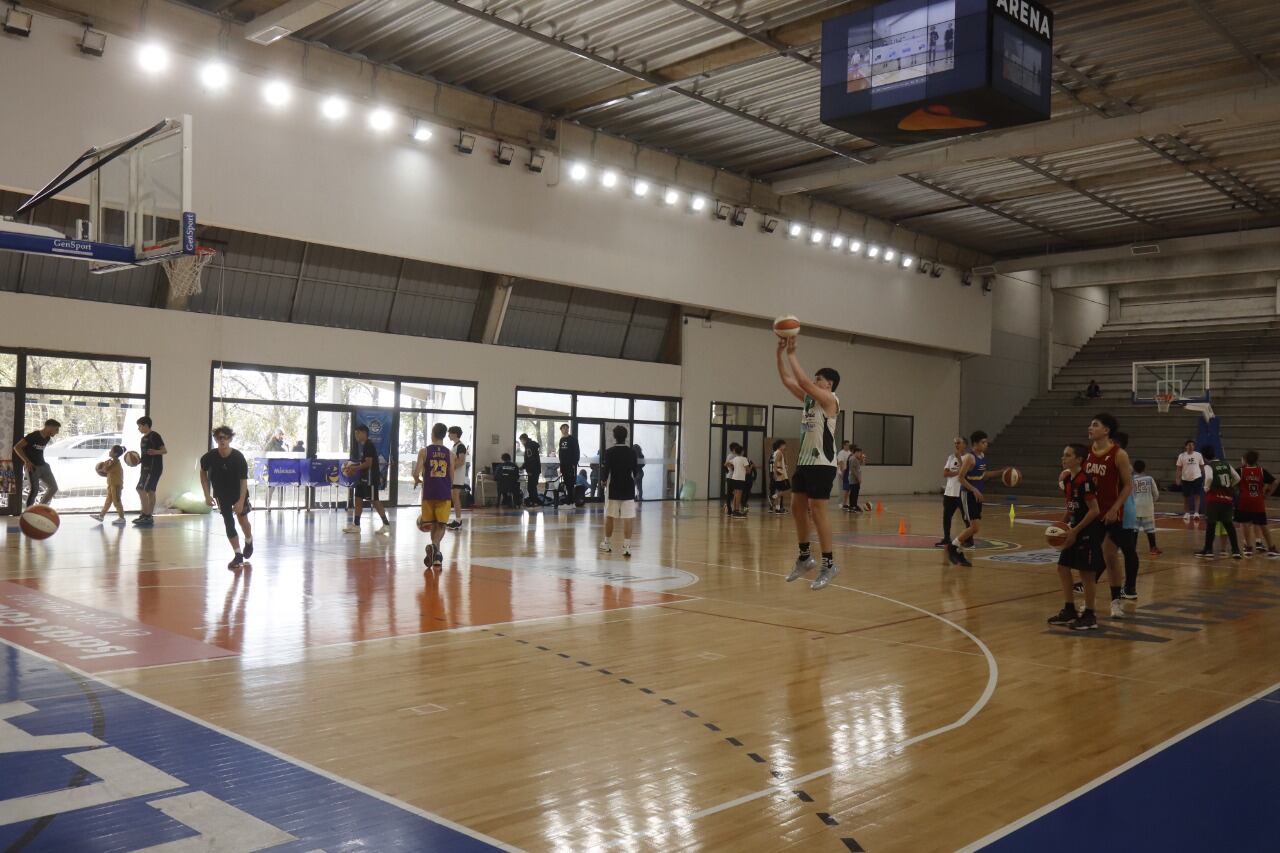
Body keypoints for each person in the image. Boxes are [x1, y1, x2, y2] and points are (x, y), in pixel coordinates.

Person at [777, 337, 841, 591]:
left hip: (823, 463)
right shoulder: (809, 400)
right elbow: (787, 380)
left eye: (819, 378)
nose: (815, 381)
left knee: (818, 512)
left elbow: (802, 381)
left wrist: (793, 353)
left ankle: (829, 564)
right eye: (815, 378)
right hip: (804, 463)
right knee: (796, 507)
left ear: (830, 384)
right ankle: (805, 558)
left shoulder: (830, 400)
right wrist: (779, 353)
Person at [1047, 443, 1105, 631]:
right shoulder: (1069, 480)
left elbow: (1094, 510)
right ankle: (1069, 609)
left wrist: (1075, 530)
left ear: (1079, 459)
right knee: (1062, 568)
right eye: (1063, 455)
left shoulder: (1084, 480)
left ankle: (1090, 615)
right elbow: (1070, 508)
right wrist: (1061, 526)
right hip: (1073, 532)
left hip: (1087, 532)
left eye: (1067, 455)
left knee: (1087, 574)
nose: (1063, 458)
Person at [1083, 413, 1134, 618]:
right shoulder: (1086, 453)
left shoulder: (1119, 454)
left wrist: (1115, 508)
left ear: (1106, 430)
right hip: (1092, 513)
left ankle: (1115, 602)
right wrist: (1066, 474)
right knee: (1089, 559)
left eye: (1095, 425)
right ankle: (1089, 603)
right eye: (1090, 424)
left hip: (1112, 515)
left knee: (1110, 555)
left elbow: (1128, 485)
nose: (1090, 427)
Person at [949, 431, 1009, 568]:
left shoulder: (982, 456)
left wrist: (1000, 472)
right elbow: (960, 477)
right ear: (975, 444)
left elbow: (983, 474)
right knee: (974, 527)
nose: (986, 444)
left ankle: (956, 548)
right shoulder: (970, 458)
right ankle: (953, 547)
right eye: (983, 442)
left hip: (976, 495)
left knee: (974, 528)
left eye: (986, 442)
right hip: (968, 494)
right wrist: (974, 489)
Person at [200, 426, 254, 570]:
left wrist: (241, 501)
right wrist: (206, 494)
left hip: (238, 493)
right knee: (229, 523)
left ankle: (249, 540)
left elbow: (243, 482)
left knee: (243, 521)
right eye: (219, 438)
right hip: (221, 494)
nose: (221, 440)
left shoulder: (238, 457)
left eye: (224, 437)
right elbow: (203, 474)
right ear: (216, 440)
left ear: (230, 439)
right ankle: (237, 555)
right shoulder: (209, 457)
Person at [413, 422, 453, 571]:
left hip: (428, 494)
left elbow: (416, 472)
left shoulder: (424, 451)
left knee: (432, 524)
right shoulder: (450, 454)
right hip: (443, 493)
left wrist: (417, 480)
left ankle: (436, 556)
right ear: (444, 435)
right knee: (441, 525)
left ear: (432, 434)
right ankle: (435, 548)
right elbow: (452, 477)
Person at [1195, 445, 1242, 559]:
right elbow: (1237, 478)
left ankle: (1208, 550)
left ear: (1204, 457)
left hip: (1214, 499)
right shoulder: (1226, 464)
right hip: (1227, 499)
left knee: (1211, 525)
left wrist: (1206, 488)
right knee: (1229, 525)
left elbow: (1210, 478)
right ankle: (1236, 550)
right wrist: (1230, 485)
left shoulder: (1208, 466)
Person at [344, 423, 390, 535]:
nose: (356, 435)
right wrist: (353, 466)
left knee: (375, 500)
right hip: (363, 477)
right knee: (358, 498)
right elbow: (364, 462)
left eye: (357, 433)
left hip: (370, 478)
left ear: (364, 433)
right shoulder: (364, 445)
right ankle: (356, 525)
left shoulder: (369, 445)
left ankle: (386, 525)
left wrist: (354, 468)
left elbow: (368, 464)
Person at [599, 425, 637, 556]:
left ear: (614, 436)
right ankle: (627, 547)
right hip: (628, 488)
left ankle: (607, 544)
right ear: (626, 437)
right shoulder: (632, 452)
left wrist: (603, 481)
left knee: (610, 516)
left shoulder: (609, 452)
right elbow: (636, 472)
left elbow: (606, 470)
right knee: (628, 517)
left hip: (613, 488)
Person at [1236, 450, 1277, 556]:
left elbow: (1232, 482)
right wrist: (1268, 494)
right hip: (1257, 501)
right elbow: (1275, 482)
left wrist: (1236, 490)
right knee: (1263, 525)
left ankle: (1248, 548)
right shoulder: (1261, 471)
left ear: (1244, 460)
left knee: (1245, 524)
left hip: (1244, 500)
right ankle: (1271, 548)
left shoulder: (1240, 471)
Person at [13, 418, 60, 507]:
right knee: (34, 490)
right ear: (49, 427)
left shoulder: (47, 438)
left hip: (44, 466)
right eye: (56, 429)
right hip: (33, 467)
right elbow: (17, 447)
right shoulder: (33, 435)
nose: (57, 432)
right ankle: (28, 513)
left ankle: (39, 508)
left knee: (53, 487)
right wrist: (27, 461)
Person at [134, 416, 166, 527]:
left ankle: (146, 515)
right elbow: (144, 455)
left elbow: (164, 450)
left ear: (146, 425)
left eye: (140, 426)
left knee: (140, 488)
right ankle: (148, 516)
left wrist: (155, 452)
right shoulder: (143, 439)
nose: (139, 429)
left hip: (154, 468)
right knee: (150, 491)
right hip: (145, 468)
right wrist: (137, 461)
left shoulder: (155, 436)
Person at [937, 436, 967, 548]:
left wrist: (960, 460)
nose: (956, 445)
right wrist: (959, 472)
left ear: (965, 444)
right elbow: (945, 473)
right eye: (955, 443)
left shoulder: (968, 458)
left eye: (959, 443)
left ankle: (969, 540)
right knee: (946, 516)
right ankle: (946, 538)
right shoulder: (950, 457)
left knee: (966, 517)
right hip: (949, 492)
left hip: (961, 492)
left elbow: (966, 472)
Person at [90, 445, 127, 525]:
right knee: (108, 502)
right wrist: (104, 466)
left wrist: (99, 469)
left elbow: (106, 470)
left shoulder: (115, 462)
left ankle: (122, 518)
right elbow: (107, 473)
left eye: (111, 451)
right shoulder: (112, 461)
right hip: (111, 484)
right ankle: (101, 516)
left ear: (116, 454)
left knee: (117, 501)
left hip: (116, 485)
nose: (110, 452)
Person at [1131, 460, 1162, 556]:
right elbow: (1156, 493)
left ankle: (1132, 549)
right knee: (1150, 529)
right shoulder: (1149, 478)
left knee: (1134, 530)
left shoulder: (1131, 479)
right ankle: (1153, 548)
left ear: (1134, 469)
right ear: (1144, 468)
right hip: (1147, 507)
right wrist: (1152, 501)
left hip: (1134, 508)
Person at [1176, 440, 1205, 522]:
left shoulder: (1198, 455)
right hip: (1185, 479)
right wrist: (1177, 478)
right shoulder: (1181, 456)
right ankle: (1186, 513)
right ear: (1186, 446)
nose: (1191, 446)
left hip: (1197, 477)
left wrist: (1204, 476)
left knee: (1197, 496)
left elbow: (1202, 467)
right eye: (1189, 445)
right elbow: (1178, 469)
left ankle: (1196, 513)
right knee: (1186, 497)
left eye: (1192, 445)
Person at [447, 425, 467, 530]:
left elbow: (461, 461)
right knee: (454, 498)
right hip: (454, 476)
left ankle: (458, 520)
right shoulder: (455, 446)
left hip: (457, 477)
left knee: (455, 498)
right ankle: (457, 520)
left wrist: (451, 469)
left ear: (455, 434)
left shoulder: (461, 446)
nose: (448, 435)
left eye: (449, 433)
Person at [724, 443, 750, 519]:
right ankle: (736, 511)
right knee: (738, 495)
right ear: (742, 452)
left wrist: (732, 467)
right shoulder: (744, 459)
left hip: (734, 478)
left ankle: (735, 511)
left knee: (735, 495)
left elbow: (725, 464)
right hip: (740, 478)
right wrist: (747, 469)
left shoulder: (735, 459)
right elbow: (748, 470)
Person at [557, 424, 580, 505]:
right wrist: (561, 465)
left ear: (568, 429)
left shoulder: (573, 439)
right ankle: (568, 501)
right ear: (561, 430)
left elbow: (577, 452)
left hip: (570, 465)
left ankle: (571, 502)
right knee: (566, 483)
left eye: (567, 428)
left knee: (570, 484)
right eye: (563, 428)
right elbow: (560, 453)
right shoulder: (561, 440)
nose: (565, 430)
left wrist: (574, 463)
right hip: (563, 465)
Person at [518, 434, 541, 506]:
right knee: (533, 486)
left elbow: (530, 460)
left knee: (531, 487)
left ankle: (533, 501)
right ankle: (534, 501)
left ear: (523, 440)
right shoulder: (532, 445)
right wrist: (523, 467)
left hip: (533, 470)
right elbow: (530, 459)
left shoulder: (529, 447)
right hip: (536, 469)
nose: (521, 443)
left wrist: (529, 470)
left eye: (521, 441)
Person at [770, 439, 791, 514]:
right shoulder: (779, 453)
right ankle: (773, 497)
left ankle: (777, 509)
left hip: (779, 473)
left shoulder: (776, 453)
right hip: (781, 475)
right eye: (784, 445)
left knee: (780, 491)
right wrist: (775, 473)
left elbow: (777, 463)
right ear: (781, 445)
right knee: (786, 489)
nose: (785, 446)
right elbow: (775, 463)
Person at [846, 445, 866, 512]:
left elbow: (861, 465)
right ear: (856, 452)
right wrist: (858, 478)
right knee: (854, 493)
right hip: (854, 479)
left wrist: (862, 459)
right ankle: (853, 506)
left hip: (855, 479)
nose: (860, 454)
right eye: (859, 452)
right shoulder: (853, 459)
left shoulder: (856, 459)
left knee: (855, 492)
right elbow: (853, 470)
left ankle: (854, 505)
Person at [836, 441, 853, 511]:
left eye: (849, 445)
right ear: (843, 445)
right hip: (842, 473)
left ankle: (845, 503)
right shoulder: (841, 453)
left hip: (849, 474)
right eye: (846, 445)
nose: (848, 446)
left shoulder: (850, 453)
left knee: (847, 489)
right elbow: (840, 462)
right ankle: (840, 503)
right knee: (842, 489)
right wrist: (843, 473)